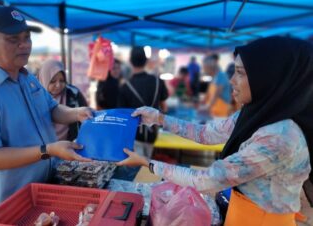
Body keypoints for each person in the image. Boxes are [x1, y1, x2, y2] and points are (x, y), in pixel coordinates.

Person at [118, 36, 313, 226]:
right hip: (240, 211)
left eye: (240, 73)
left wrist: (147, 162)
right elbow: (206, 134)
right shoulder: (257, 113)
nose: (231, 81)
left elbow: (207, 180)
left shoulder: (280, 136)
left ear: (269, 78)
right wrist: (159, 118)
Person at [0, 6, 92, 223]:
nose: (24, 45)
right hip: (2, 207)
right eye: (13, 39)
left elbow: (52, 109)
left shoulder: (26, 77)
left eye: (26, 37)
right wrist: (47, 150)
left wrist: (77, 113)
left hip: (39, 193)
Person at [118, 46, 168, 158]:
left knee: (138, 167)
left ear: (130, 62)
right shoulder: (158, 81)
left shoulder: (125, 86)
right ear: (146, 61)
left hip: (134, 134)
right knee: (149, 163)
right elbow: (164, 108)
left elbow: (123, 117)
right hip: (154, 132)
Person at [38, 59, 88, 141]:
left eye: (62, 80)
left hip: (72, 144)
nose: (58, 85)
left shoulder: (73, 93)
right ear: (44, 79)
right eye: (53, 81)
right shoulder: (35, 97)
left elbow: (85, 119)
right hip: (43, 149)